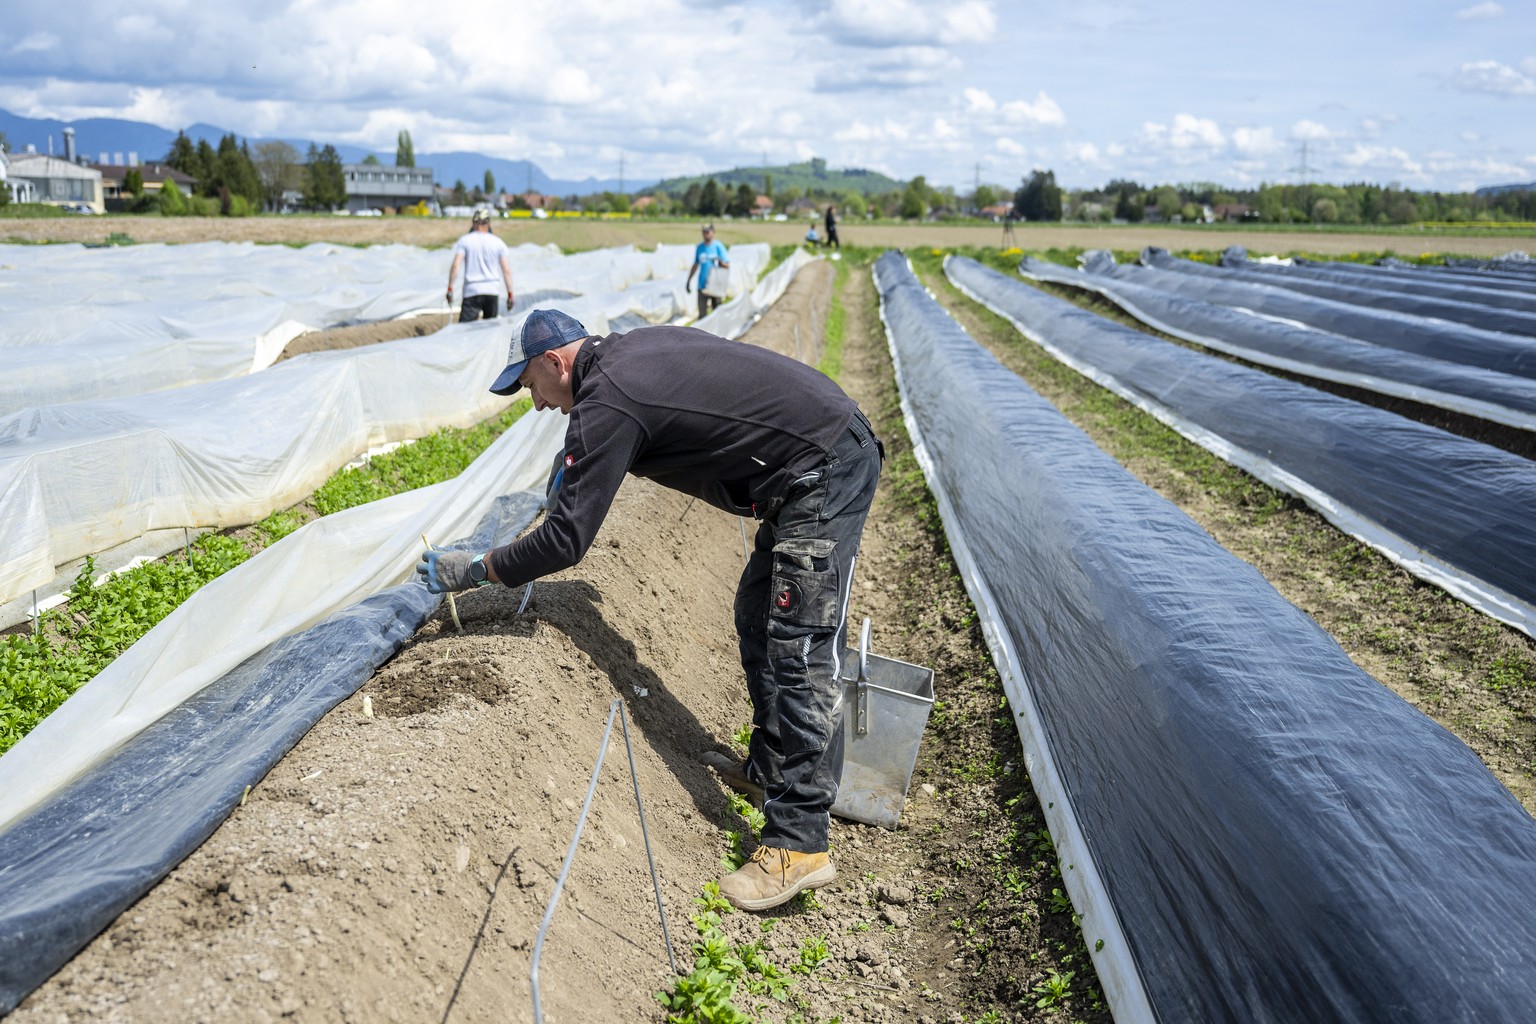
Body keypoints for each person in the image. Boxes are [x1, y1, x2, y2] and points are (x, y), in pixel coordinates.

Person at [418, 309, 884, 912]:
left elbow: (567, 542)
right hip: (808, 458)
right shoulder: (625, 356)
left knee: (799, 645)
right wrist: (570, 477)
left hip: (823, 470)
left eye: (529, 386)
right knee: (756, 611)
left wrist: (478, 568)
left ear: (556, 363)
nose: (534, 404)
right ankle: (773, 768)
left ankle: (799, 843)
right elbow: (602, 455)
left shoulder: (608, 397)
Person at [446, 208, 515, 322]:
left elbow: (455, 266)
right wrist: (510, 294)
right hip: (492, 291)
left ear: (473, 223)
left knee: (464, 331)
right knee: (490, 330)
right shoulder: (498, 242)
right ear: (489, 223)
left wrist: (450, 288)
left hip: (472, 291)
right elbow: (506, 270)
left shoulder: (465, 240)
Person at [684, 223, 731, 320]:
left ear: (713, 232)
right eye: (704, 232)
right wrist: (688, 281)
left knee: (717, 312)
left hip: (715, 285)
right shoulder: (700, 248)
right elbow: (696, 264)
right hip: (702, 285)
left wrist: (719, 261)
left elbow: (727, 265)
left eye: (708, 232)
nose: (706, 234)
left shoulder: (718, 246)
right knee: (702, 315)